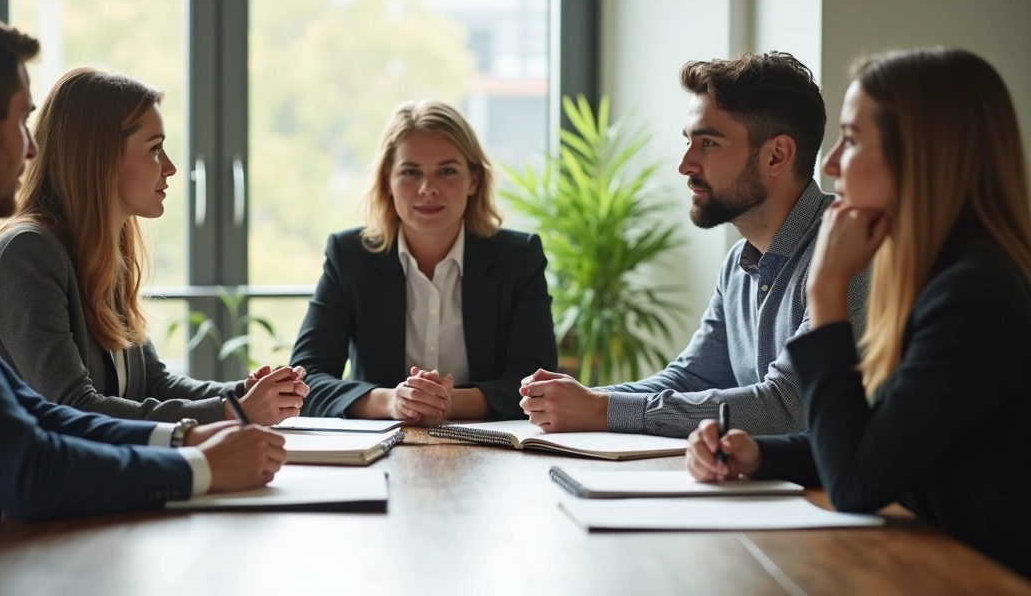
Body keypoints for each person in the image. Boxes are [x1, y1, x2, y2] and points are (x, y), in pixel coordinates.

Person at [0, 2, 286, 596]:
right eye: (23, 122)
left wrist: (185, 439)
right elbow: (25, 465)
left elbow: (24, 409)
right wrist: (201, 467)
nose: (33, 150)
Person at [685, 47, 1031, 578]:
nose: (829, 163)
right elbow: (878, 441)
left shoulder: (975, 294)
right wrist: (759, 456)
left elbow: (855, 483)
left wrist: (826, 290)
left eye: (852, 139)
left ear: (918, 153)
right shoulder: (941, 275)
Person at [519, 51, 869, 438]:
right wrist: (578, 398)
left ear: (776, 155)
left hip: (839, 498)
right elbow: (690, 379)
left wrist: (601, 409)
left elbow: (788, 408)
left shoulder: (849, 253)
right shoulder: (739, 262)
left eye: (708, 143)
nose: (685, 164)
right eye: (688, 141)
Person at [0, 66, 307, 426]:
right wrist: (233, 412)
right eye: (155, 149)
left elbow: (153, 383)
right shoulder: (26, 253)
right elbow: (73, 408)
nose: (171, 168)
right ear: (98, 159)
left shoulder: (101, 251)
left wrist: (245, 393)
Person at [291, 100, 557, 423]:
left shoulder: (518, 258)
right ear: (387, 181)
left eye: (446, 171)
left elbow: (538, 384)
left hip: (492, 451)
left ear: (473, 180)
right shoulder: (349, 257)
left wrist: (446, 402)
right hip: (377, 451)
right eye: (410, 172)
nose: (428, 189)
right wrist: (392, 402)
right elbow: (305, 380)